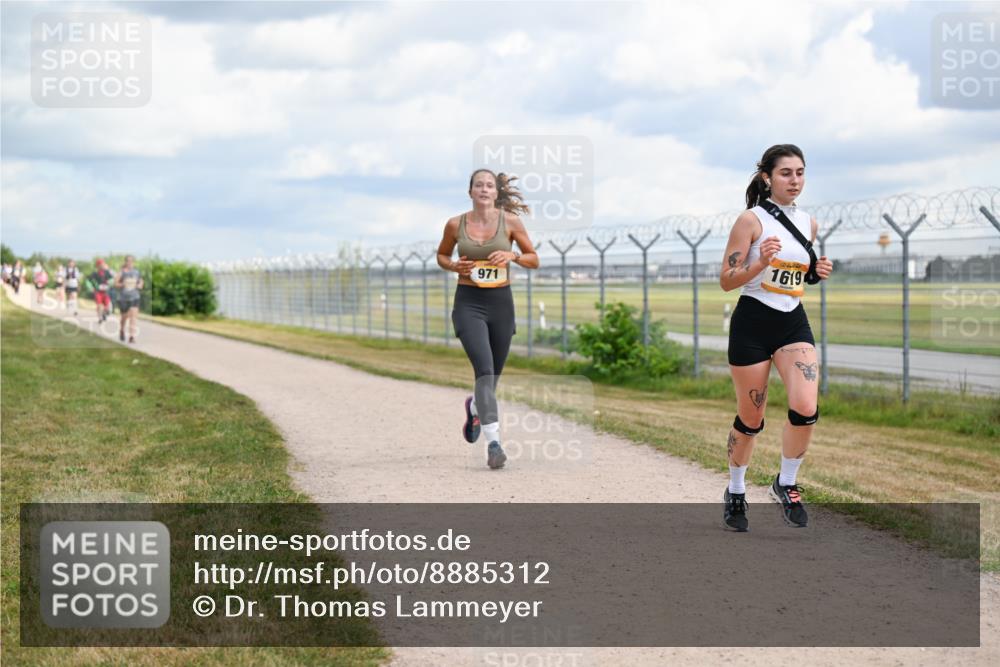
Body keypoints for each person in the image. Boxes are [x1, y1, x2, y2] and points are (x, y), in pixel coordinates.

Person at [718, 144, 833, 532]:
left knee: (806, 407)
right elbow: (726, 281)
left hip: (791, 322)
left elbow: (797, 274)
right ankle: (735, 491)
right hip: (752, 323)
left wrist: (817, 271)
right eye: (786, 173)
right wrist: (759, 263)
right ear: (767, 177)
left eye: (800, 172)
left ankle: (786, 482)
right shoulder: (750, 221)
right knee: (751, 419)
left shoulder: (809, 223)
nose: (795, 180)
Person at [437, 170, 539, 469]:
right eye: (478, 185)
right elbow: (442, 256)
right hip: (468, 304)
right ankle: (494, 444)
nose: (484, 189)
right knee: (484, 369)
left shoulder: (510, 222)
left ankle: (476, 407)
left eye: (489, 185)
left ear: (496, 192)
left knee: (492, 376)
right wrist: (455, 266)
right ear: (470, 192)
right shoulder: (456, 224)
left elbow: (533, 258)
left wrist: (513, 257)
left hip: (501, 306)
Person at [114, 255, 144, 343]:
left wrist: (139, 285)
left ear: (133, 262)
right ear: (125, 262)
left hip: (135, 297)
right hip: (124, 298)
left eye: (131, 261)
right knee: (124, 317)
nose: (130, 263)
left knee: (133, 317)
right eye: (128, 261)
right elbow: (115, 284)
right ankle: (122, 330)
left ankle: (132, 336)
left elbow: (141, 282)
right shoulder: (121, 272)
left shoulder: (137, 272)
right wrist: (123, 284)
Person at [89, 258, 114, 323]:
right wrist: (91, 287)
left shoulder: (107, 272)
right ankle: (100, 317)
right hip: (98, 292)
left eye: (103, 264)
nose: (102, 265)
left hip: (105, 292)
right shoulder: (95, 274)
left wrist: (110, 283)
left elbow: (112, 279)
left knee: (107, 306)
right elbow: (88, 281)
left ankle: (104, 314)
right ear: (98, 266)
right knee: (99, 305)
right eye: (101, 264)